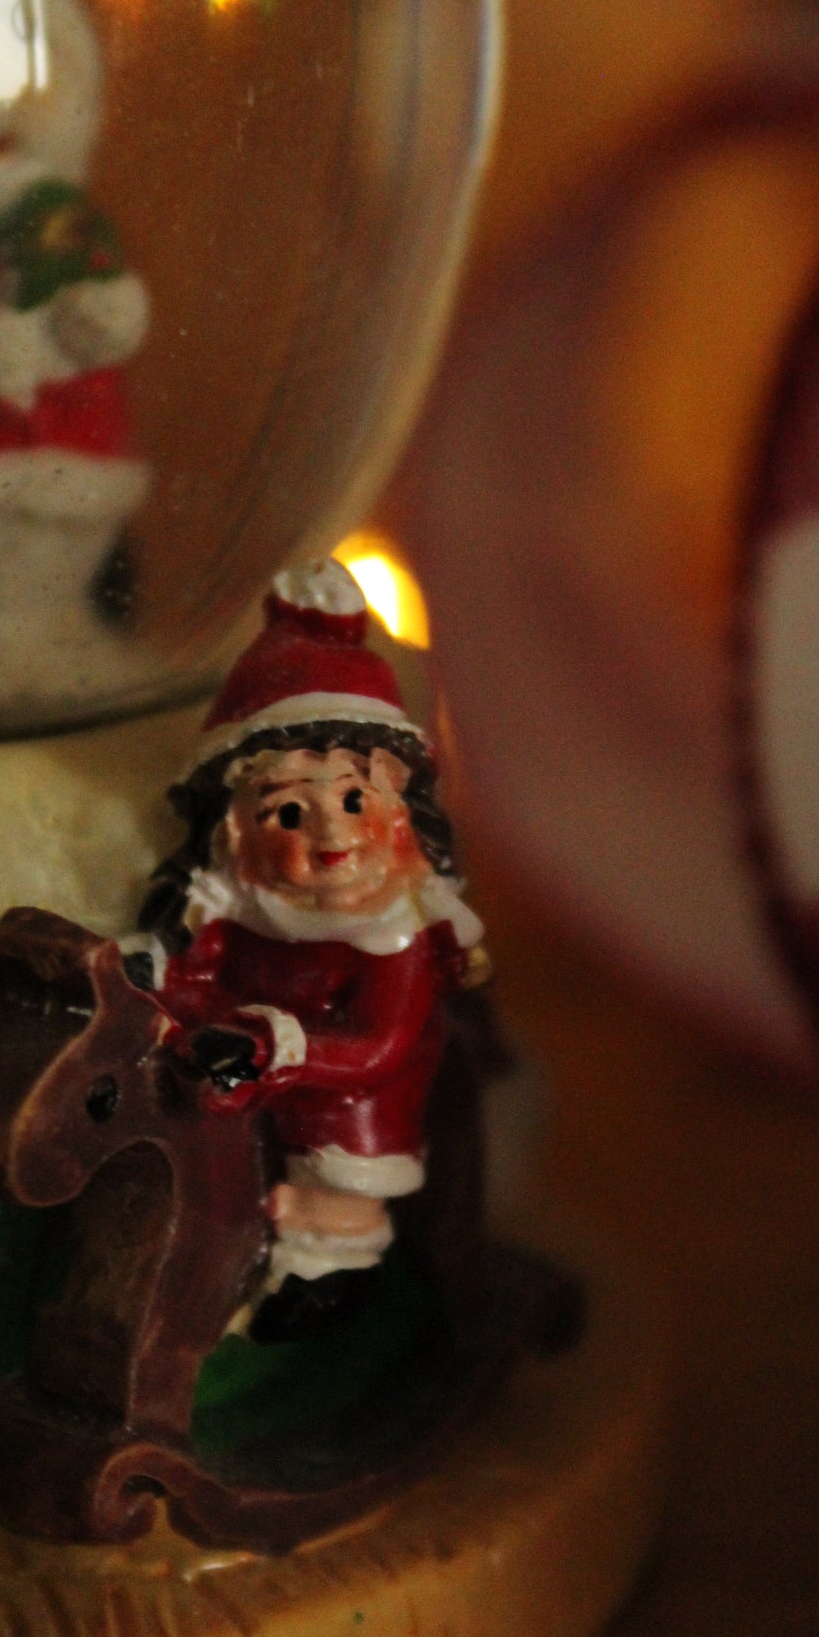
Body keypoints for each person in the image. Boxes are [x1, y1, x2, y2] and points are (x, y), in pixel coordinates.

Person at [132, 559, 489, 1342]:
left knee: (334, 1179)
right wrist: (158, 976)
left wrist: (273, 1046)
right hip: (240, 1061)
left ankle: (322, 1283)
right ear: (235, 826)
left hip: (342, 1092)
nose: (332, 837)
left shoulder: (393, 930)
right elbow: (194, 971)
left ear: (398, 809)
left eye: (355, 801)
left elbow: (377, 1045)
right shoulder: (232, 900)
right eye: (291, 813)